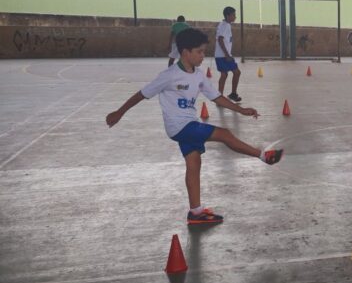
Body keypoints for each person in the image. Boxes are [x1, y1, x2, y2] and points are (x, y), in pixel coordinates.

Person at [105, 28, 283, 225]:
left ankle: (196, 212)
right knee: (224, 134)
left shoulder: (198, 76)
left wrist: (240, 110)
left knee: (194, 163)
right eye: (199, 52)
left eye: (204, 51)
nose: (202, 56)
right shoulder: (169, 76)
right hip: (180, 126)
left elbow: (216, 97)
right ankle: (263, 156)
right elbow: (142, 94)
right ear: (185, 52)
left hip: (189, 124)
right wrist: (119, 112)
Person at [216, 6, 241, 102]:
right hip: (223, 56)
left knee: (224, 74)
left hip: (222, 55)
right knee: (235, 72)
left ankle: (222, 96)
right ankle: (228, 95)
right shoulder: (225, 25)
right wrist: (226, 55)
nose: (235, 17)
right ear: (227, 16)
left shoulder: (226, 25)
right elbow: (220, 39)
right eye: (233, 15)